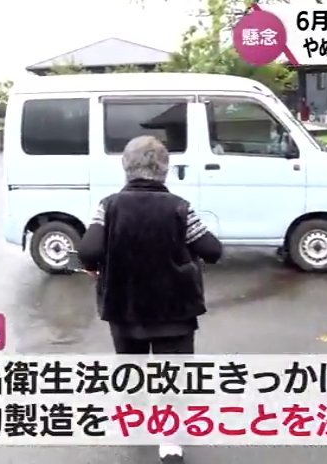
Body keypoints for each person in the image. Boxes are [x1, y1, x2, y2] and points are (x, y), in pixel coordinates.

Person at [76, 135, 223, 463]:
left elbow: (88, 250)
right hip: (175, 311)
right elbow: (212, 251)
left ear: (126, 167)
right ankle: (170, 442)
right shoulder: (179, 208)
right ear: (164, 169)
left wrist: (92, 266)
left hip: (124, 307)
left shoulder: (108, 206)